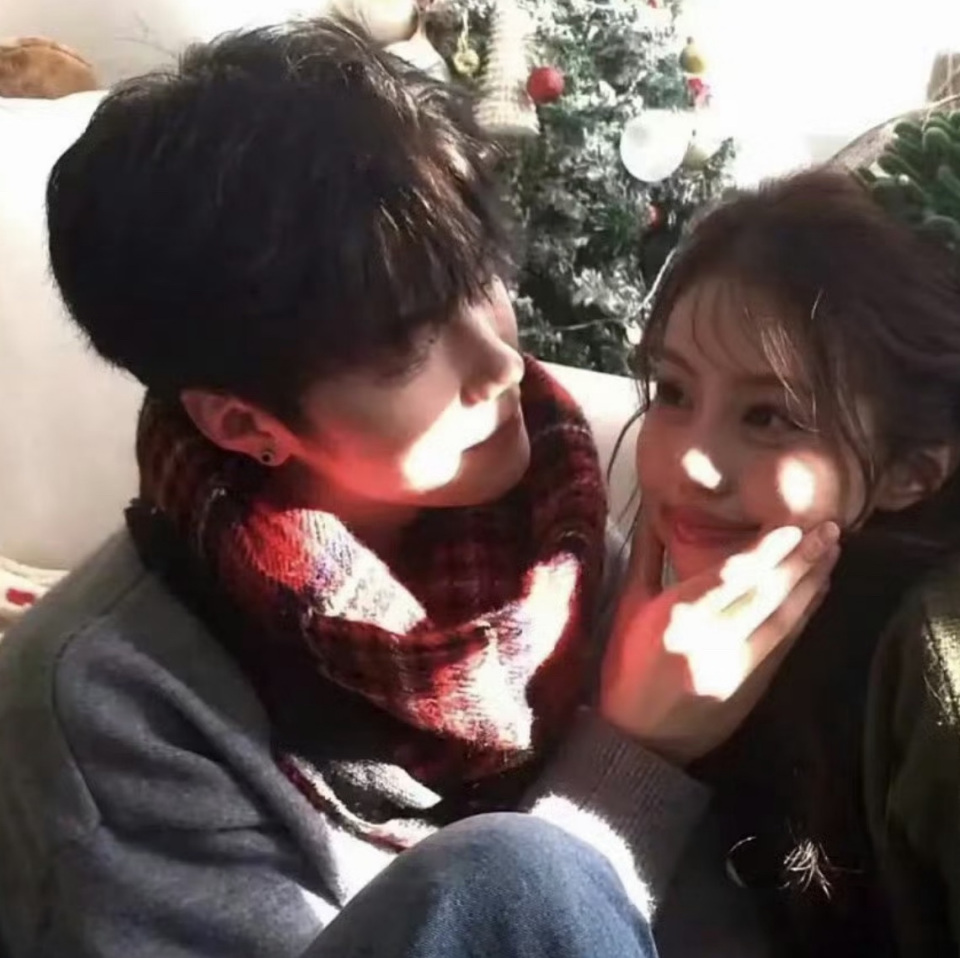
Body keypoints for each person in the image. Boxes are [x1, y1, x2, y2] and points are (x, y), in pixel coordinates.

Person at [0, 18, 834, 958]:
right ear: (244, 424)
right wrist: (635, 761)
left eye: (480, 280)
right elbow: (520, 907)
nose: (502, 363)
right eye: (407, 344)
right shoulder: (111, 703)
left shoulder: (548, 543)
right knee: (515, 874)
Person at [606, 162, 960, 957]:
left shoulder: (937, 663)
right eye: (673, 391)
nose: (691, 464)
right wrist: (631, 748)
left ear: (911, 473)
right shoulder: (651, 613)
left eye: (769, 416)